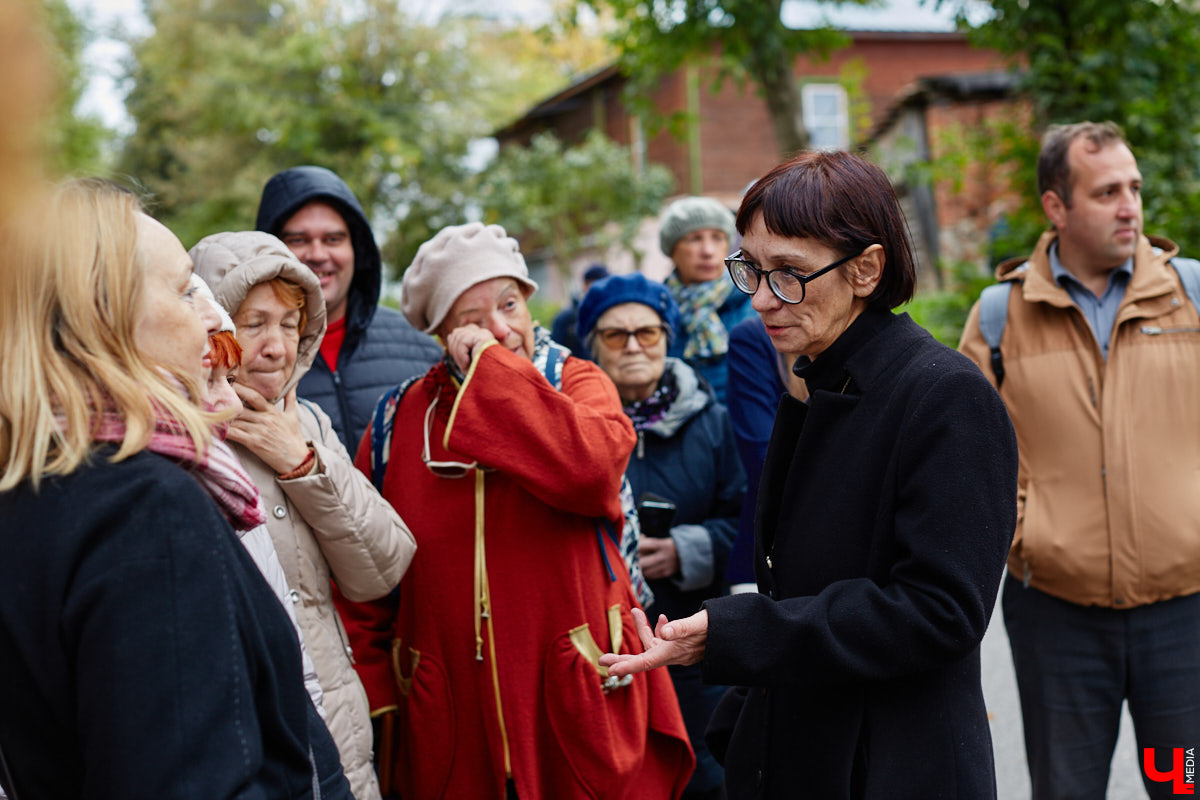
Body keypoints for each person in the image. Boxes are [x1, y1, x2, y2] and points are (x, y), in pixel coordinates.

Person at [601, 151, 1019, 799]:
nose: (762, 299)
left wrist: (737, 635)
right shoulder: (814, 377)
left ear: (866, 269)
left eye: (790, 272)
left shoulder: (943, 396)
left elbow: (940, 612)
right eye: (752, 269)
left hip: (892, 765)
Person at [0, 179, 348, 798]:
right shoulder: (142, 509)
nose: (217, 316)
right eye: (187, 288)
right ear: (101, 324)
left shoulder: (39, 483)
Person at [336, 222, 694, 799]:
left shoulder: (580, 383)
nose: (501, 329)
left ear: (529, 304)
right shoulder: (396, 420)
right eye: (474, 318)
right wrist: (383, 696)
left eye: (509, 304)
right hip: (449, 719)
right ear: (439, 333)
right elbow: (361, 571)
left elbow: (590, 471)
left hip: (578, 699)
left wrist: (493, 369)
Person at [959, 121, 1200, 800]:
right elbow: (968, 461)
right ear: (1056, 207)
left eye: (1134, 188)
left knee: (1183, 785)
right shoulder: (1002, 317)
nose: (1130, 206)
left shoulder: (1192, 296)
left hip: (1185, 618)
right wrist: (1026, 535)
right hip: (1057, 619)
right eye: (1106, 192)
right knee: (1068, 791)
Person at [192, 230, 417, 800]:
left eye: (289, 325)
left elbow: (383, 568)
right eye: (253, 323)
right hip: (247, 745)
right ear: (211, 328)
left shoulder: (308, 423)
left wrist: (300, 462)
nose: (276, 347)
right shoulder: (184, 439)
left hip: (340, 733)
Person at [577, 272, 746, 800]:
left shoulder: (711, 422)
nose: (633, 346)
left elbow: (744, 521)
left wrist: (685, 549)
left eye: (647, 332)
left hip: (689, 640)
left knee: (706, 779)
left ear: (668, 338)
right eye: (615, 334)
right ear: (592, 346)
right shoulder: (575, 426)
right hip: (599, 650)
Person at [256, 165, 442, 449]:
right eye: (298, 240)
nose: (318, 254)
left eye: (333, 239)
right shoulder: (245, 360)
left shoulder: (422, 352)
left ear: (358, 250)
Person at [723, 317, 806, 591]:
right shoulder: (757, 337)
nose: (762, 301)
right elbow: (765, 461)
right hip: (768, 558)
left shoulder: (878, 348)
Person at [659, 196, 756, 404]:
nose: (708, 251)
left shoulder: (755, 302)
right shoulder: (657, 313)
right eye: (694, 239)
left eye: (717, 237)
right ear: (672, 250)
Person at [550, 262, 610, 357]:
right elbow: (555, 354)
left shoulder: (610, 317)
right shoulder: (566, 319)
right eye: (597, 283)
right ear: (585, 285)